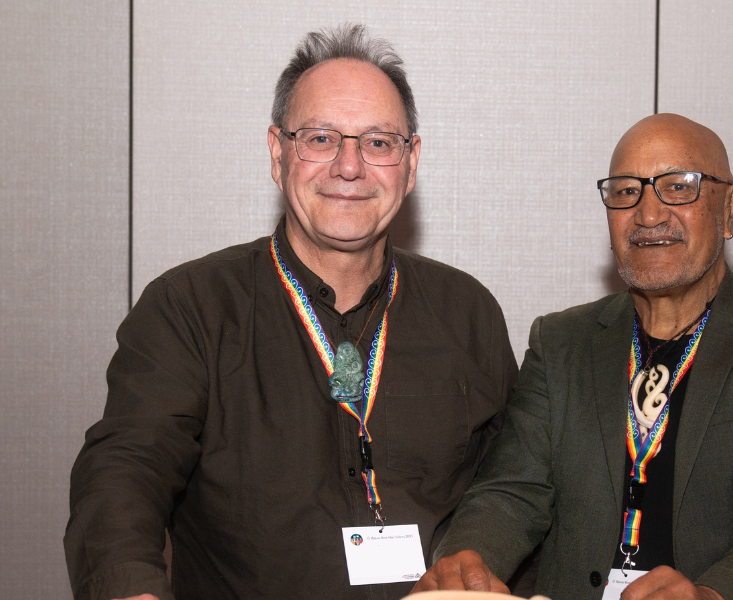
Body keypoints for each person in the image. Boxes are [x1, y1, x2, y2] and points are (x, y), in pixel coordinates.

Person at [64, 24, 518, 600]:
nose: (349, 166)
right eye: (321, 138)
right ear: (278, 154)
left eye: (379, 142)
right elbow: (125, 471)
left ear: (410, 161)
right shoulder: (190, 307)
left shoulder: (468, 312)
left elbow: (513, 488)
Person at [413, 114, 733, 600]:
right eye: (626, 192)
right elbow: (511, 489)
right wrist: (470, 558)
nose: (648, 214)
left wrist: (712, 594)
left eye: (678, 187)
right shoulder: (560, 341)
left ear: (730, 209)